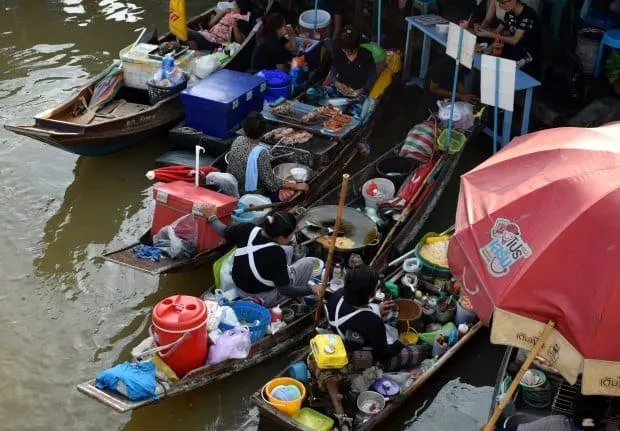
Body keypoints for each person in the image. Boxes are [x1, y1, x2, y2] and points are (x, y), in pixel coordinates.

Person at [204, 208, 320, 307]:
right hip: (261, 298)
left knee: (288, 250)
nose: (292, 237)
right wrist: (311, 289)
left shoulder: (247, 228)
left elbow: (223, 231)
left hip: (240, 288)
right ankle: (293, 301)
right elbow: (285, 290)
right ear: (280, 237)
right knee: (308, 263)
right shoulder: (276, 254)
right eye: (291, 235)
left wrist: (212, 216)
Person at [326, 266, 431, 371]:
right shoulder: (372, 322)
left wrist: (377, 309)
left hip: (345, 331)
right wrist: (400, 343)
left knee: (391, 307)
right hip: (365, 356)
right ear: (371, 294)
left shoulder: (337, 294)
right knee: (419, 351)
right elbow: (384, 354)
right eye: (376, 288)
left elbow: (358, 314)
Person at [226, 112, 308, 200]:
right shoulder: (261, 153)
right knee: (289, 192)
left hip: (234, 187)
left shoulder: (238, 140)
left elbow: (246, 159)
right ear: (263, 133)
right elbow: (271, 183)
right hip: (250, 195)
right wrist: (296, 185)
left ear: (244, 129)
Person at [475, 0, 540, 72]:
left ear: (513, 1)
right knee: (484, 51)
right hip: (513, 48)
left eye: (502, 2)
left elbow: (514, 40)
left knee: (498, 66)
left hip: (526, 54)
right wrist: (483, 30)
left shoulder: (528, 15)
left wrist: (489, 34)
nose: (499, 6)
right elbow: (498, 31)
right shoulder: (509, 13)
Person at [328, 25, 377, 96]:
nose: (346, 52)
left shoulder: (366, 55)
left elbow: (372, 76)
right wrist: (336, 83)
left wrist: (362, 89)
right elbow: (333, 71)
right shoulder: (338, 53)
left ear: (356, 47)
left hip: (359, 92)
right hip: (340, 89)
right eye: (344, 49)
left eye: (350, 51)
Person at [187, 0, 253, 51]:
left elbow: (240, 41)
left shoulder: (242, 21)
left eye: (235, 6)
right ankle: (197, 52)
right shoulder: (229, 12)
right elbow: (210, 24)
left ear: (240, 9)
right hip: (209, 36)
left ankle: (197, 54)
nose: (233, 7)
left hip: (217, 43)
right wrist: (223, 12)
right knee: (186, 32)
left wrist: (234, 25)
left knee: (187, 32)